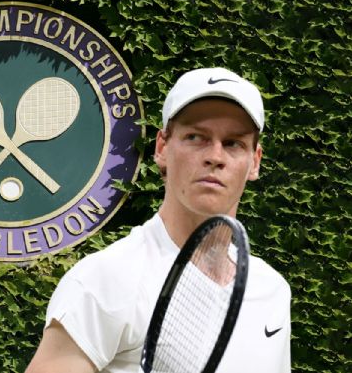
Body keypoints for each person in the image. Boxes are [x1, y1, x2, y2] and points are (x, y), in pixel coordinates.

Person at [25, 67, 291, 373]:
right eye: (196, 137)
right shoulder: (104, 279)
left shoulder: (272, 290)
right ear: (162, 148)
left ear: (254, 162)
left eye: (233, 143)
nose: (215, 156)